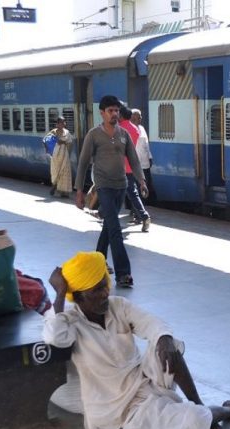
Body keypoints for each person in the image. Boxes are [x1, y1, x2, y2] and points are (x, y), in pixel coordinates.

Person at [43, 251, 230, 429]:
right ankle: (229, 411)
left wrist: (163, 339)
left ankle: (200, 404)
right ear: (79, 297)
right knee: (193, 422)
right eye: (97, 290)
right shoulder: (70, 320)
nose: (105, 293)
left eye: (105, 285)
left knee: (170, 347)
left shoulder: (117, 306)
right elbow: (55, 338)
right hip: (122, 410)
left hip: (144, 381)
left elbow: (151, 323)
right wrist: (60, 292)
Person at [74, 95, 147, 289]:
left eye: (116, 110)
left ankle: (99, 262)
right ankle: (123, 273)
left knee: (109, 226)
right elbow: (82, 163)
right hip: (103, 187)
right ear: (102, 113)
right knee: (115, 229)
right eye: (110, 111)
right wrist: (79, 191)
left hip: (121, 186)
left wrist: (141, 179)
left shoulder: (124, 134)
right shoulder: (94, 135)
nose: (114, 114)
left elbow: (133, 159)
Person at [119, 105, 151, 232]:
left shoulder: (119, 129)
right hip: (131, 165)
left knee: (112, 191)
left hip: (119, 166)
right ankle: (144, 216)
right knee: (132, 192)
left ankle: (104, 214)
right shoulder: (135, 129)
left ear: (121, 116)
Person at [131, 108, 157, 203]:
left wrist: (150, 157)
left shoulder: (142, 129)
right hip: (135, 165)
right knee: (136, 188)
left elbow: (146, 145)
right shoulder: (129, 130)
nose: (137, 120)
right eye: (134, 119)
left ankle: (140, 207)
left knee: (145, 186)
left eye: (138, 118)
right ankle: (135, 209)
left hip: (145, 164)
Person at [45, 117, 74, 197]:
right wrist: (48, 149)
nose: (62, 124)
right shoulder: (53, 132)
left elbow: (70, 142)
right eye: (60, 122)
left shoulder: (67, 132)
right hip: (56, 154)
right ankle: (54, 187)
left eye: (63, 122)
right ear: (57, 124)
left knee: (65, 172)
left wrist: (64, 144)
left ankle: (64, 192)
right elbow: (45, 140)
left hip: (64, 154)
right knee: (56, 172)